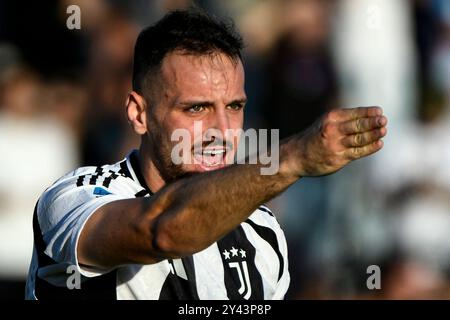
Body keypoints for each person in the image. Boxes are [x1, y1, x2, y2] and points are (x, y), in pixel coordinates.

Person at [25, 9, 387, 300]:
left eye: (234, 106)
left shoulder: (262, 232)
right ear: (139, 114)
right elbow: (164, 231)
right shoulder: (74, 198)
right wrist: (290, 159)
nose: (222, 129)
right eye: (196, 109)